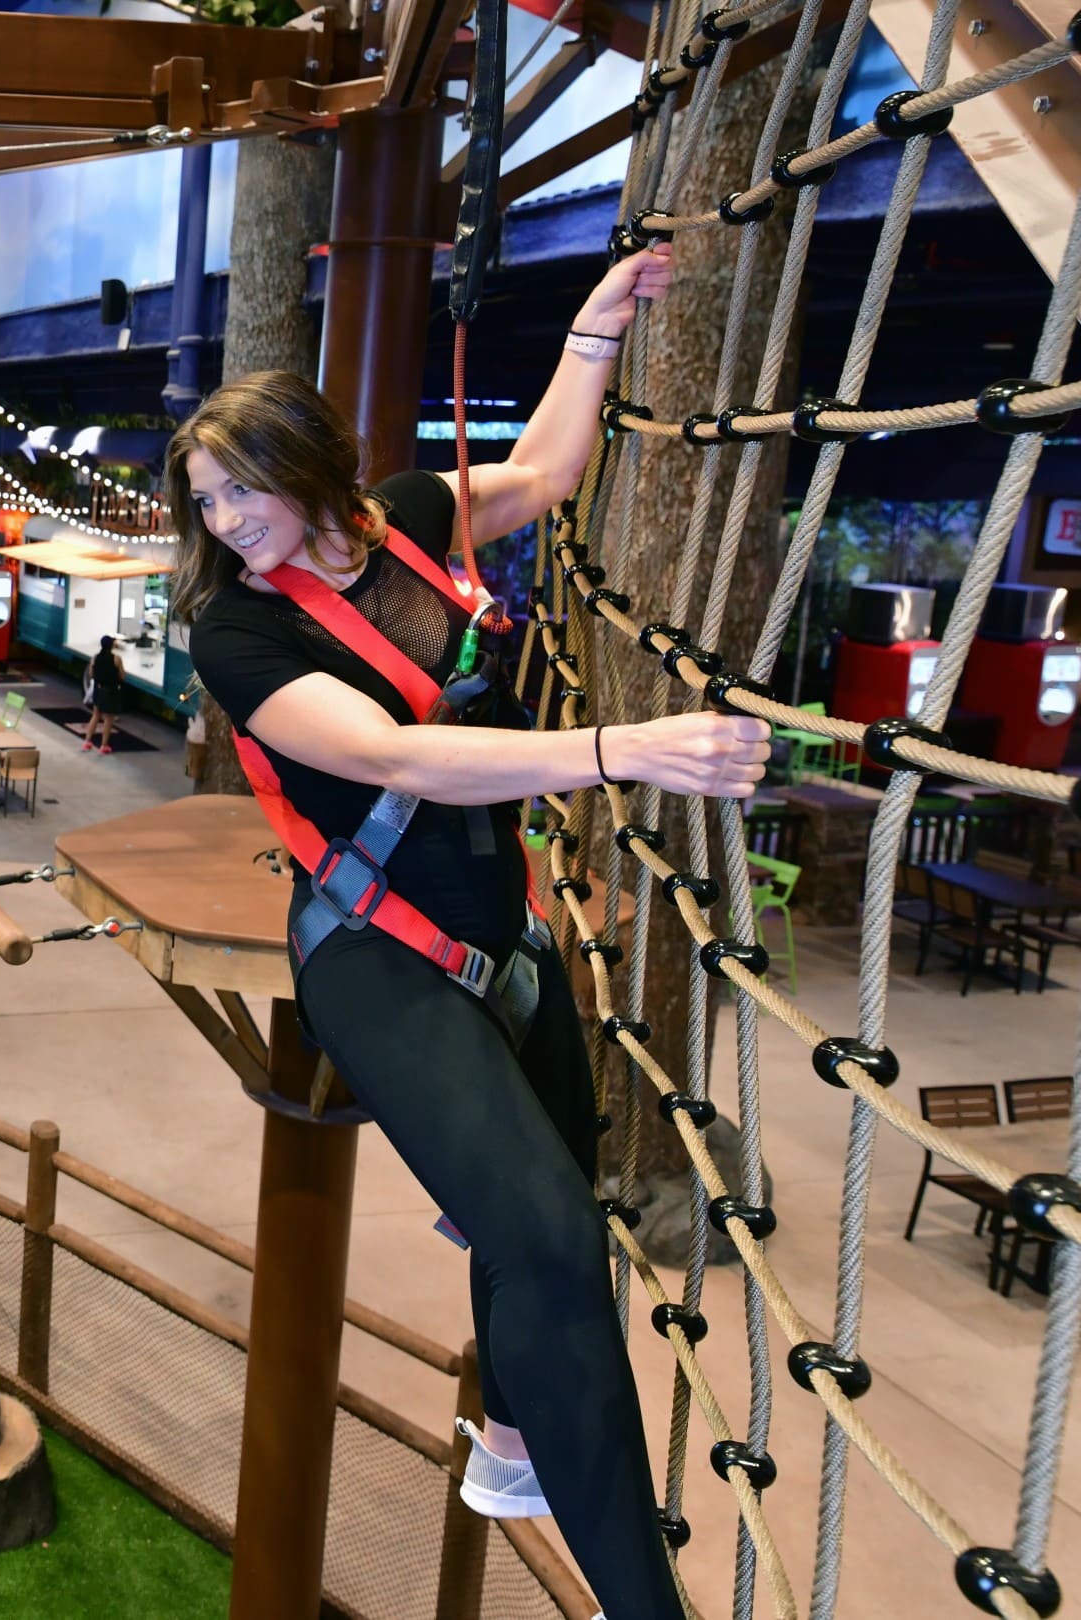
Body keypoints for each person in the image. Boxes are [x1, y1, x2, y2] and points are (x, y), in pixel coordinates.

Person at [175, 246, 744, 1620]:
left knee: (561, 1216)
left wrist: (593, 332)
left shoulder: (414, 522)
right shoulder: (235, 638)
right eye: (206, 501)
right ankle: (640, 1603)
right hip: (379, 955)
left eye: (243, 487)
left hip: (508, 936)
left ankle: (509, 1439)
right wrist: (626, 749)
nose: (228, 518)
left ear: (314, 470)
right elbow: (404, 759)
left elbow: (545, 470)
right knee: (547, 1233)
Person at [82, 635, 124, 754]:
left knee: (95, 715)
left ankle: (87, 741)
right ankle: (103, 745)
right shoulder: (116, 659)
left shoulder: (95, 658)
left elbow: (91, 673)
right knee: (108, 719)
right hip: (111, 691)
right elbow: (122, 675)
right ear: (111, 645)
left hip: (98, 690)